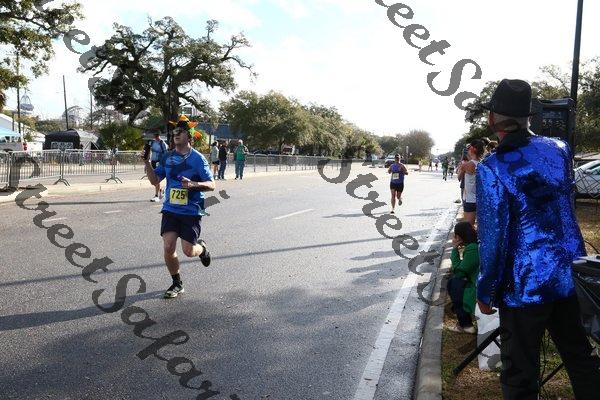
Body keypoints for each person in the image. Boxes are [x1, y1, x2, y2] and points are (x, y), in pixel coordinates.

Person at [476, 79, 600, 399]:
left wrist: (486, 289)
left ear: (492, 119)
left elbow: (493, 237)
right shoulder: (560, 149)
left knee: (520, 372)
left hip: (525, 285)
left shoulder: (492, 167)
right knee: (580, 357)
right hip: (568, 274)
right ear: (528, 117)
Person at [144, 125, 215, 299]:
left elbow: (212, 185)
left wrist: (193, 184)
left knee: (189, 251)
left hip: (191, 210)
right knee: (168, 246)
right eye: (174, 132)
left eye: (180, 132)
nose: (176, 134)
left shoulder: (198, 159)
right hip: (170, 209)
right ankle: (177, 283)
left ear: (189, 137)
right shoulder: (167, 157)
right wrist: (147, 162)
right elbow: (155, 180)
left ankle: (202, 249)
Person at [447, 221, 479, 334]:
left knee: (454, 284)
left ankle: (466, 325)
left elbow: (459, 272)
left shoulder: (472, 249)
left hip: (479, 286)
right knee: (454, 282)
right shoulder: (474, 245)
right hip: (480, 282)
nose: (454, 239)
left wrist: (454, 249)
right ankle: (463, 318)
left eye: (455, 236)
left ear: (459, 236)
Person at [462, 140, 484, 226]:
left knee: (468, 227)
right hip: (480, 198)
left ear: (472, 149)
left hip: (470, 199)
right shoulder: (483, 163)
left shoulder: (467, 165)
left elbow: (459, 177)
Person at [150, 133, 168, 202]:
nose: (155, 137)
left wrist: (163, 162)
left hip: (159, 162)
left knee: (157, 178)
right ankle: (160, 190)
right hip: (153, 161)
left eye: (156, 135)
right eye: (154, 135)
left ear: (159, 135)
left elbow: (165, 153)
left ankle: (156, 195)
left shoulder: (162, 143)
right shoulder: (152, 142)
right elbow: (151, 153)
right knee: (153, 179)